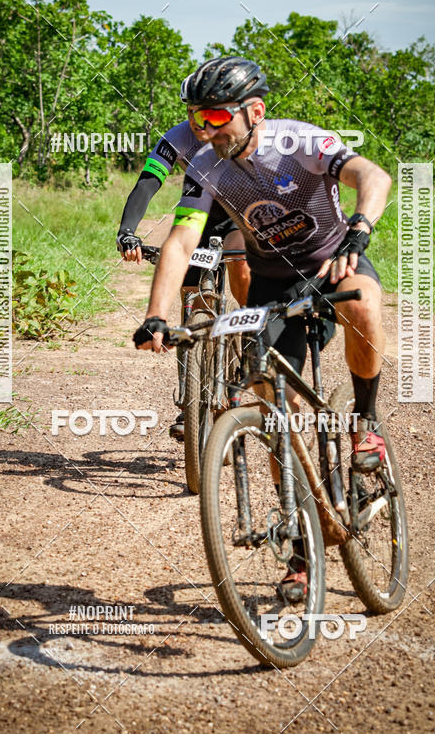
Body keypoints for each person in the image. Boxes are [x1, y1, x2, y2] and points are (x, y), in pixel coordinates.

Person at [133, 55, 392, 600]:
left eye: (216, 119)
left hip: (330, 262)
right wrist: (155, 314)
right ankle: (301, 546)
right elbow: (182, 241)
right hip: (275, 280)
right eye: (197, 120)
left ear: (254, 111)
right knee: (273, 407)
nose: (204, 131)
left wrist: (360, 228)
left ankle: (366, 421)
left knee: (365, 304)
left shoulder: (300, 143)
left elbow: (373, 175)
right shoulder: (207, 166)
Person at [116, 70, 251, 438]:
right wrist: (128, 231)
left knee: (240, 266)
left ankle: (251, 338)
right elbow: (148, 182)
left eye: (204, 111)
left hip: (240, 215)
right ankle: (188, 403)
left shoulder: (237, 133)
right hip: (199, 217)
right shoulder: (176, 138)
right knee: (191, 300)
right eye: (191, 111)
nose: (196, 120)